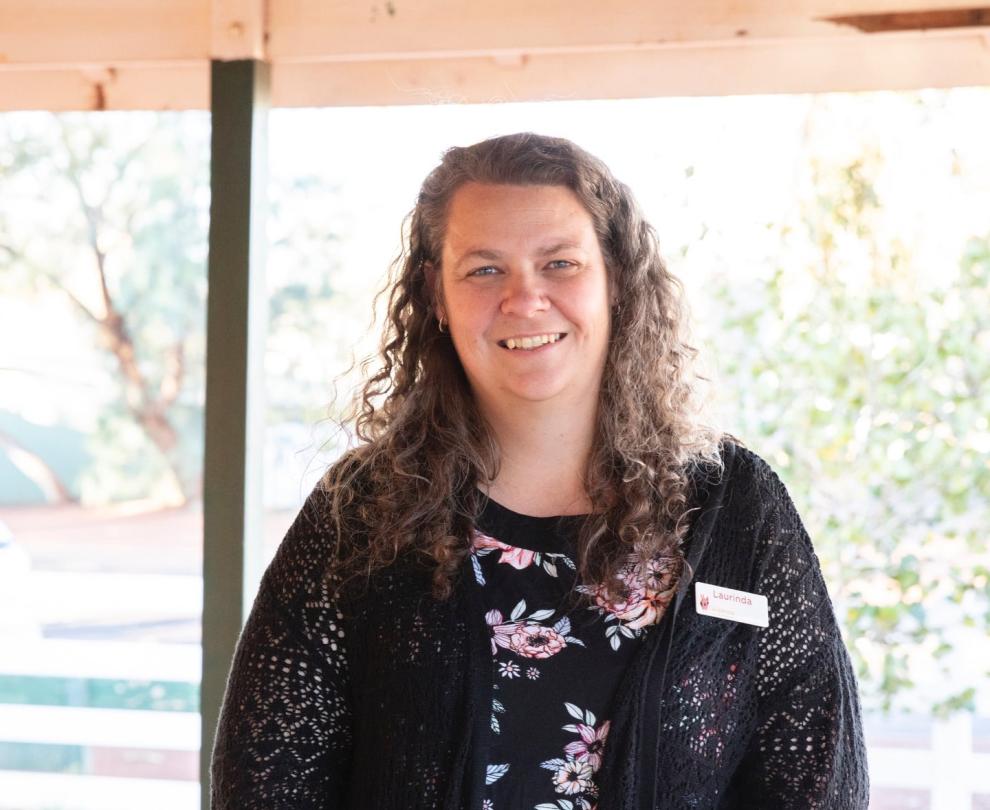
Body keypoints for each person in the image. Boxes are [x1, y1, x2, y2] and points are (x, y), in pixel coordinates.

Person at [211, 132, 869, 809]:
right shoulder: (360, 515)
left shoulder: (735, 506)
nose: (525, 300)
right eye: (485, 270)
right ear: (436, 296)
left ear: (616, 279)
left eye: (559, 263)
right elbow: (266, 777)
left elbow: (816, 777)